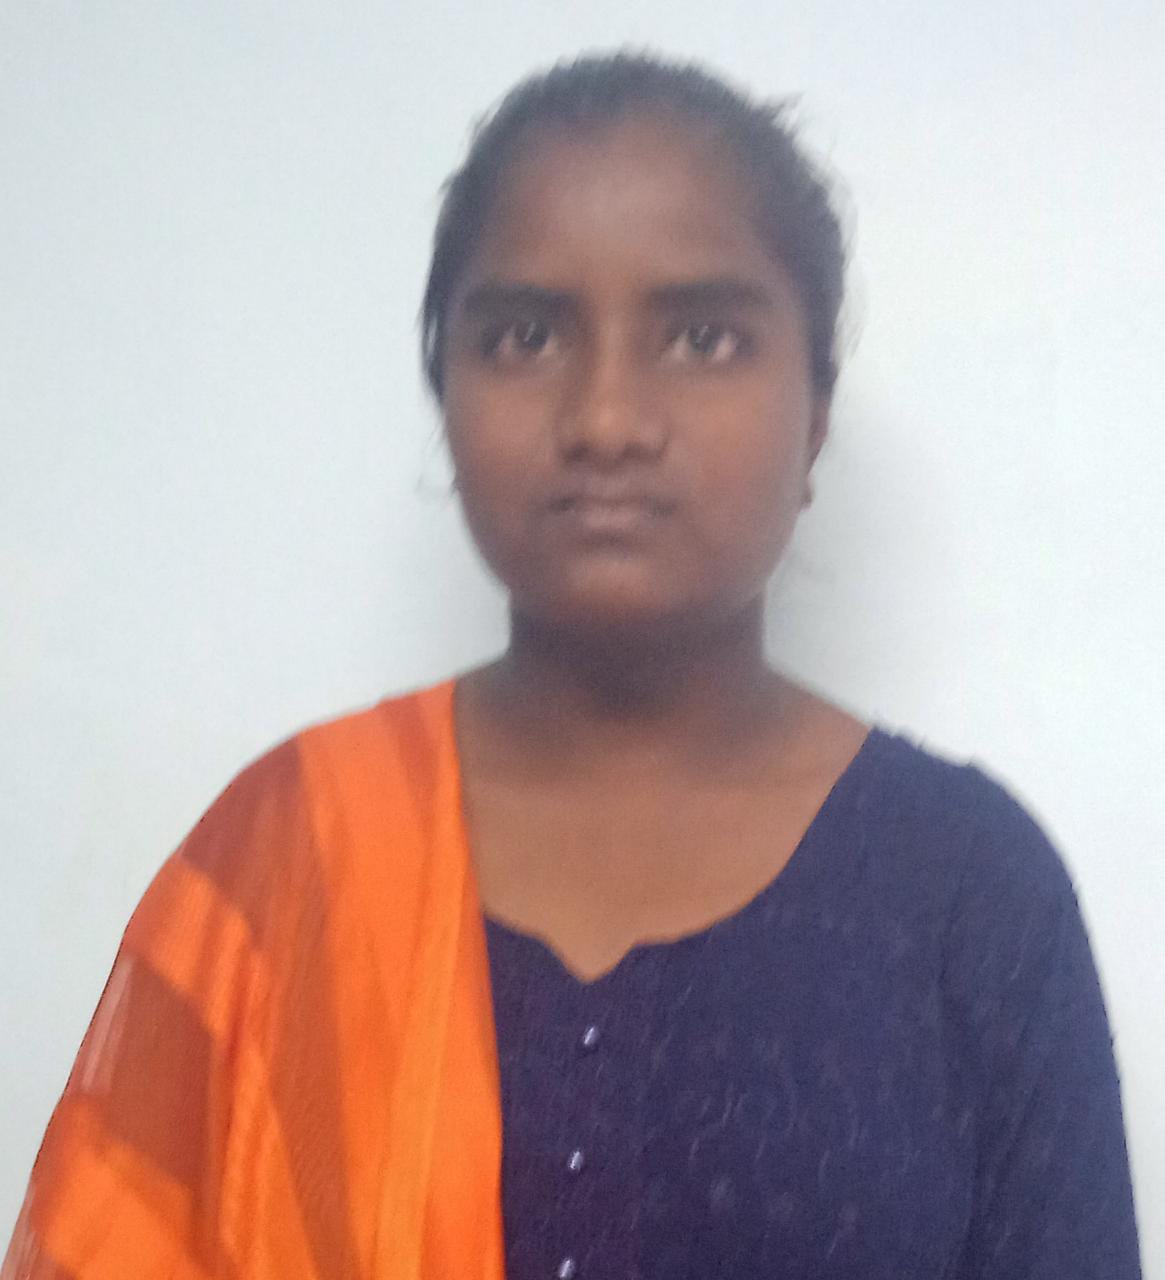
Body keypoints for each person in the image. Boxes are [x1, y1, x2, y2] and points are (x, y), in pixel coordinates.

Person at [2, 52, 1141, 1280]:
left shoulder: (970, 891)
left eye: (702, 337)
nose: (605, 418)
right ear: (444, 390)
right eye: (526, 335)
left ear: (813, 412)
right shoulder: (285, 858)